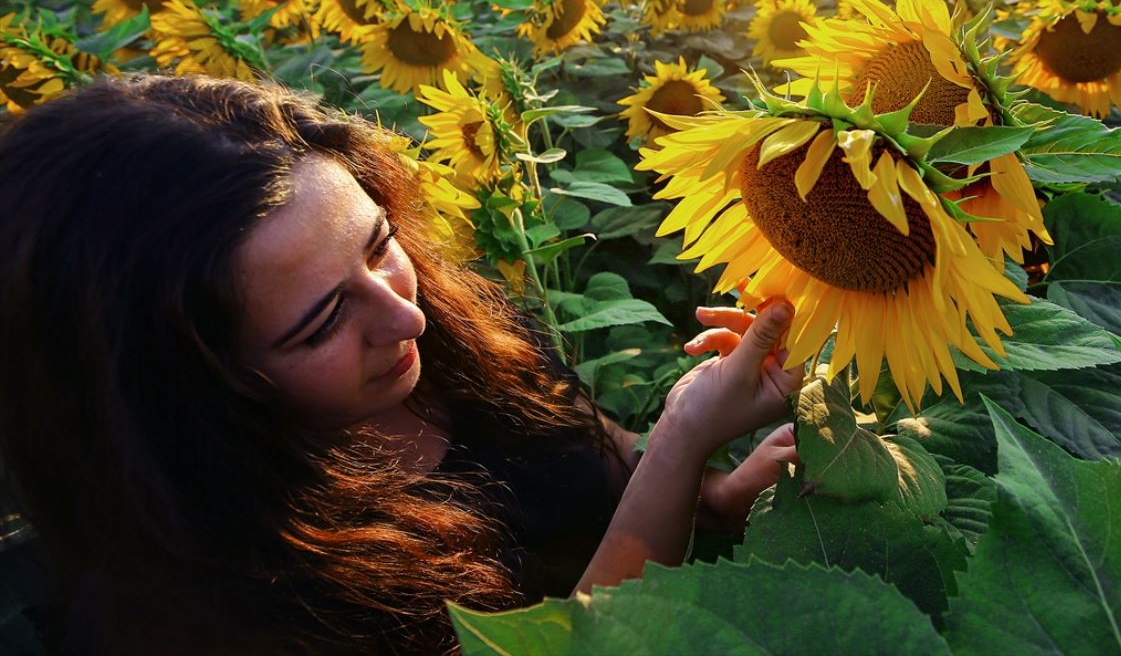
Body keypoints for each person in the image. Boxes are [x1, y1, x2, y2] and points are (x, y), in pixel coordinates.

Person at [0, 72, 803, 655]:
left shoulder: (452, 339)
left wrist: (710, 499)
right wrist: (679, 445)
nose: (405, 313)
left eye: (379, 246)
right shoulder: (203, 604)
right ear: (188, 387)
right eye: (321, 322)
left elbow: (597, 451)